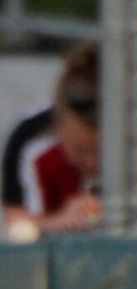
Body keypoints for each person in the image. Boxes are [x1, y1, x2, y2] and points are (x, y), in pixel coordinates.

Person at [2, 40, 102, 233]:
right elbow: (16, 222)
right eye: (81, 150)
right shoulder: (31, 137)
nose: (92, 163)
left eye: (102, 152)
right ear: (58, 127)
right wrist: (59, 222)